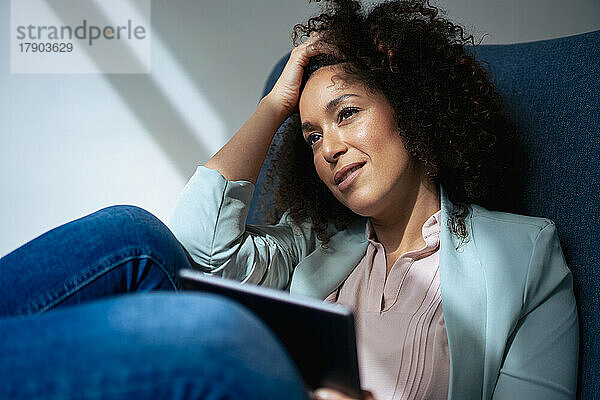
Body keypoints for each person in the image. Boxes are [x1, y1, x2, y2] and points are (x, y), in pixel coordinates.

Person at [0, 1, 578, 399]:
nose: (328, 148)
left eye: (345, 114)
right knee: (132, 238)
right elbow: (193, 249)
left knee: (216, 339)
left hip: (231, 372)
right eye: (311, 137)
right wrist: (275, 106)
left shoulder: (525, 256)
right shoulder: (317, 243)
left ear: (410, 105)